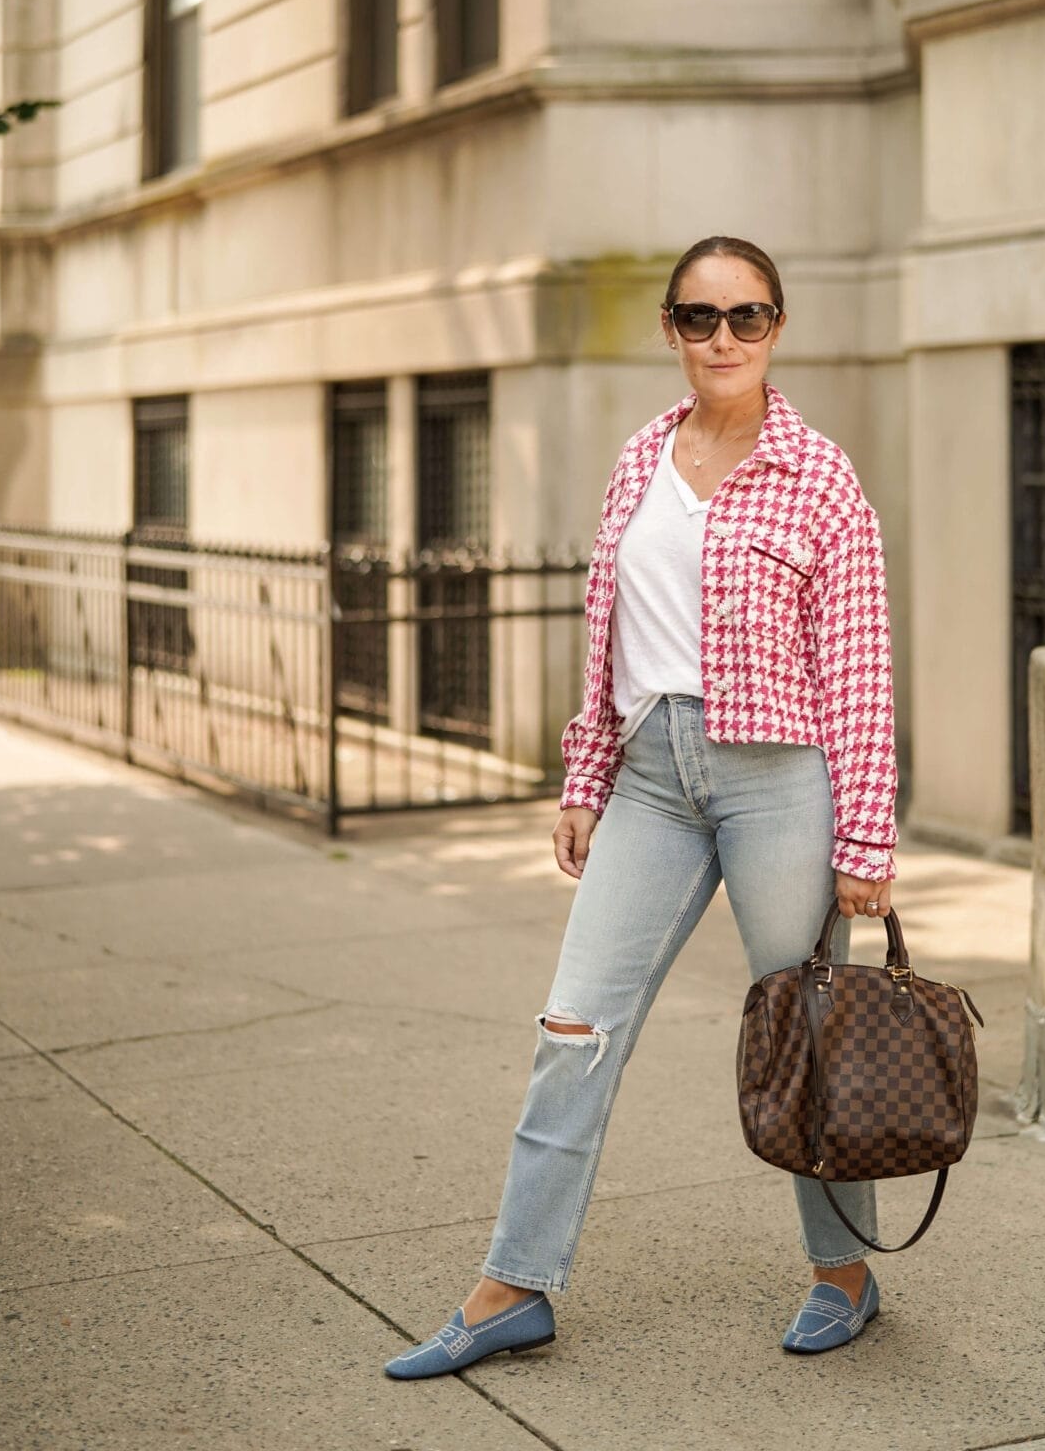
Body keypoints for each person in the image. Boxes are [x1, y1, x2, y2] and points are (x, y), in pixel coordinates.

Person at [385, 234, 899, 1379]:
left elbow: (858, 667)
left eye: (748, 317)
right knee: (572, 1027)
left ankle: (844, 1271)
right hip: (653, 781)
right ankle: (513, 1284)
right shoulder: (637, 459)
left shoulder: (820, 475)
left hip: (780, 781)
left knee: (804, 1032)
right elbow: (605, 640)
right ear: (668, 329)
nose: (724, 338)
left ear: (777, 329)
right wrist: (586, 779)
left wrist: (864, 837)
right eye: (700, 317)